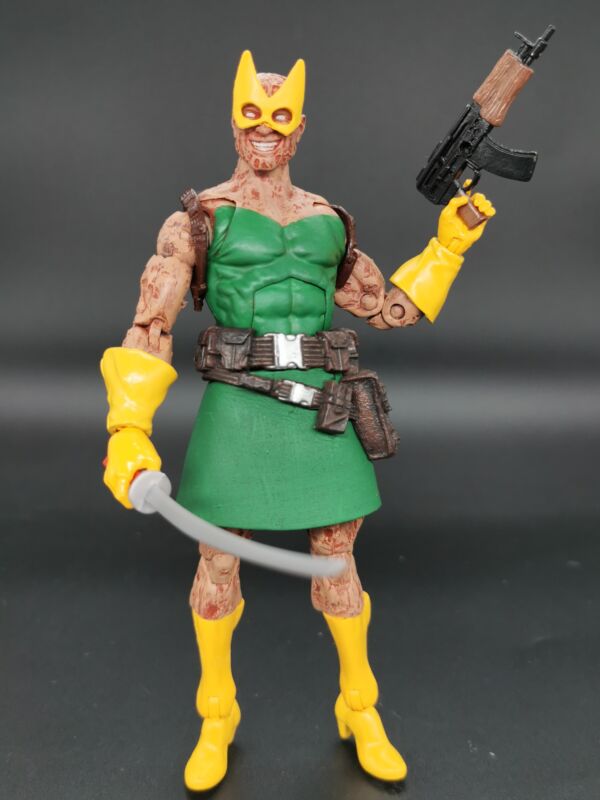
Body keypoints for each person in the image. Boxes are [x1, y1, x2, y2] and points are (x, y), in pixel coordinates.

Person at [100, 51, 495, 792]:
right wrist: (128, 428)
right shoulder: (198, 221)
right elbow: (150, 325)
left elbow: (389, 308)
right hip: (239, 400)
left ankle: (360, 706)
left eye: (280, 118)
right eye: (252, 114)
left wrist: (448, 245)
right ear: (233, 121)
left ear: (301, 128)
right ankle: (216, 713)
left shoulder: (327, 223)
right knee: (217, 563)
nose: (265, 130)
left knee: (338, 562)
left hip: (321, 404)